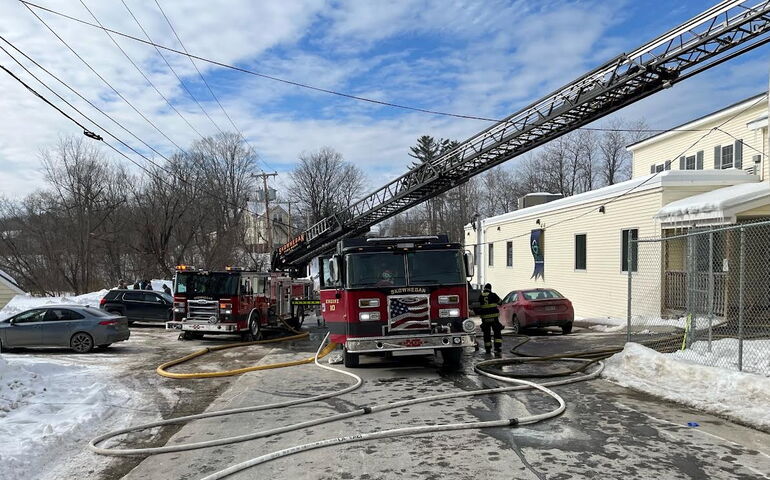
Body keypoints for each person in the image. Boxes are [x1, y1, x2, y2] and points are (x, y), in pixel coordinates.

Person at [477, 283, 503, 354]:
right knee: (497, 332)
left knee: (486, 334)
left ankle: (488, 349)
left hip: (485, 319)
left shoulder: (480, 296)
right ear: (490, 289)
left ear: (484, 289)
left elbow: (477, 306)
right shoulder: (493, 295)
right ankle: (497, 348)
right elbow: (500, 302)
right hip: (494, 318)